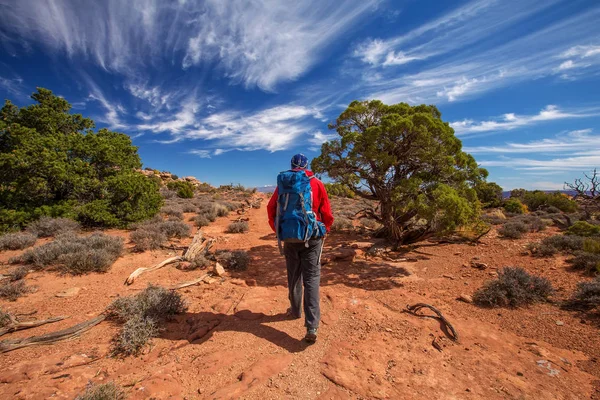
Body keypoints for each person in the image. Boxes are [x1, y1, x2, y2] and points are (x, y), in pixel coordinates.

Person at [267, 153, 334, 343]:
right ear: (306, 166)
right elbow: (326, 211)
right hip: (312, 237)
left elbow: (271, 208)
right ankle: (311, 326)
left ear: (291, 165)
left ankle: (295, 311)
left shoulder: (283, 184)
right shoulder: (317, 183)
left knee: (293, 275)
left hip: (290, 237)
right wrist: (325, 229)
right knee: (311, 279)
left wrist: (279, 230)